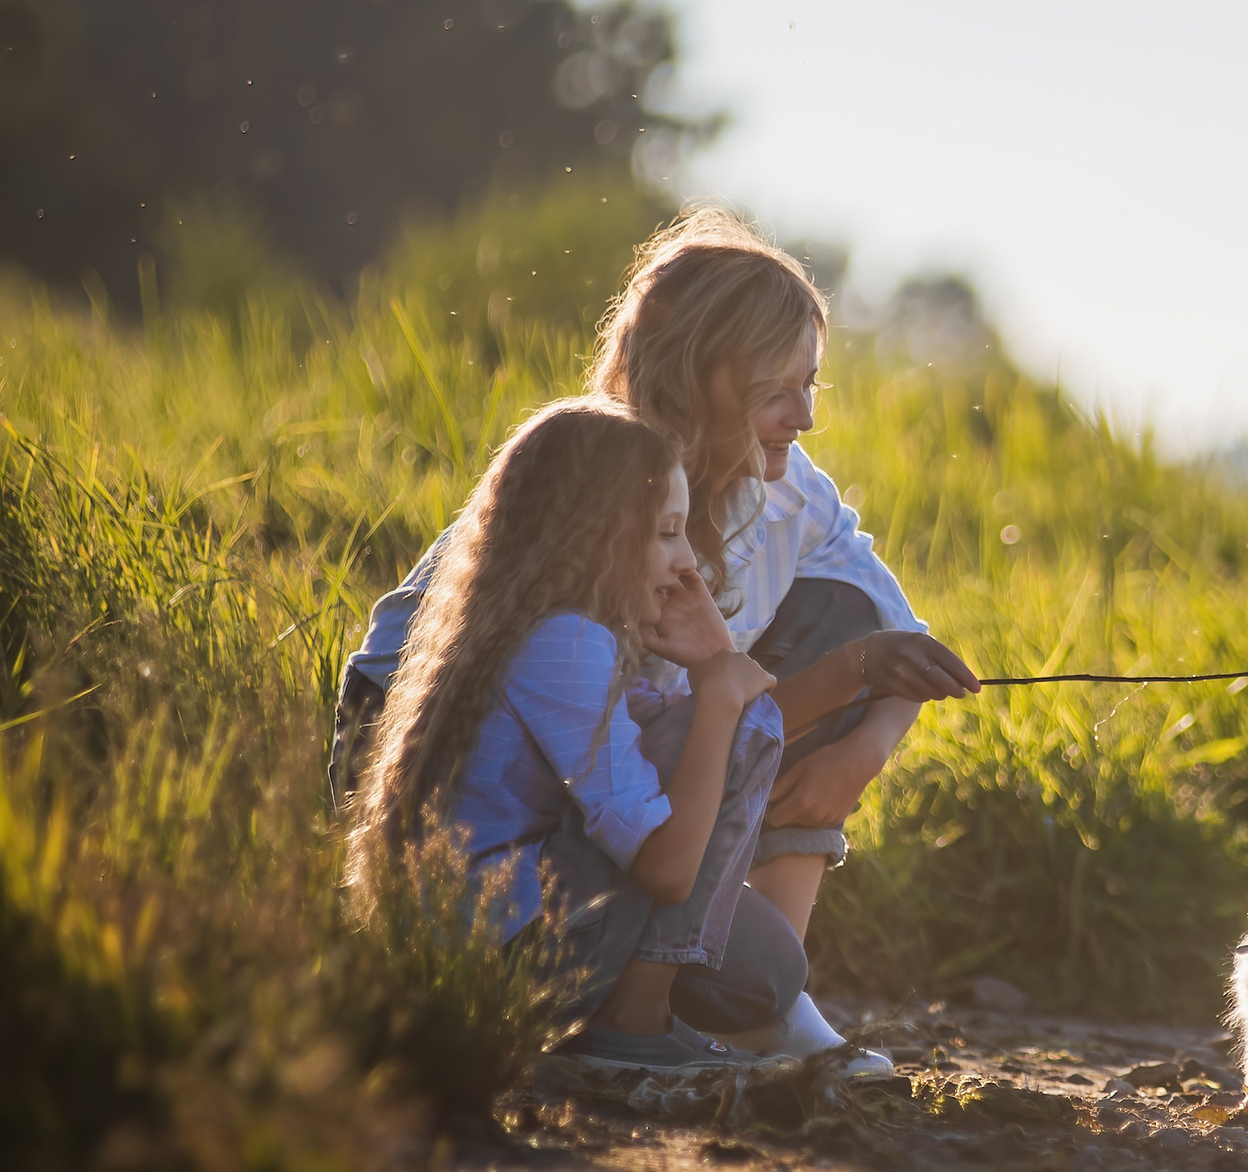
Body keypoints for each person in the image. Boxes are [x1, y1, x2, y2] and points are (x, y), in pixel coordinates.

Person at [335, 208, 976, 1075]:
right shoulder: (588, 491)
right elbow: (622, 744)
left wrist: (865, 742)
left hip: (613, 787)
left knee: (841, 620)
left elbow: (894, 633)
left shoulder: (786, 488)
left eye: (812, 383)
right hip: (439, 774)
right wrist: (728, 684)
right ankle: (631, 1017)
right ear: (700, 374)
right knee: (667, 820)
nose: (807, 416)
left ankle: (740, 1008)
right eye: (779, 388)